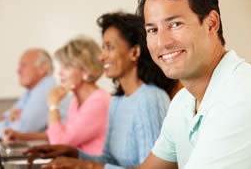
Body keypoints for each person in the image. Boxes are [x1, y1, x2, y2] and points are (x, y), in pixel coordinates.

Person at [24, 12, 180, 169]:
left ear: (134, 52)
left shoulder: (150, 99)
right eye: (103, 48)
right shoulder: (118, 101)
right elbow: (109, 160)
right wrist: (74, 153)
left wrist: (88, 166)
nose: (102, 56)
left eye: (109, 47)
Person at [136, 0, 251, 168]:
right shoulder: (182, 102)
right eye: (152, 30)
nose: (162, 42)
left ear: (211, 24)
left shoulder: (244, 96)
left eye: (175, 24)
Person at [3, 36, 111, 156]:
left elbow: (59, 142)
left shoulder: (98, 102)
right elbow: (61, 133)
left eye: (67, 67)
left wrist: (53, 104)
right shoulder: (77, 100)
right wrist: (22, 137)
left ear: (86, 70)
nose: (60, 73)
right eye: (61, 66)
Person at [0, 49, 70, 138]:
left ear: (42, 67)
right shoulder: (31, 90)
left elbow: (19, 131)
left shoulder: (46, 89)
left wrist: (4, 123)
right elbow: (4, 117)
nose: (18, 71)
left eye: (24, 66)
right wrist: (9, 119)